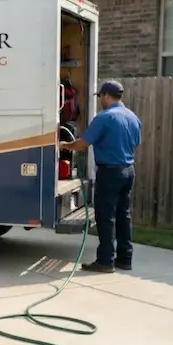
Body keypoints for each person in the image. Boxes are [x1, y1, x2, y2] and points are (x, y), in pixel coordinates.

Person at [59, 79, 141, 273]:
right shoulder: (132, 117)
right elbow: (136, 143)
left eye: (100, 97)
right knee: (123, 215)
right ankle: (125, 259)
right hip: (128, 170)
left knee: (106, 216)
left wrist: (64, 145)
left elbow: (82, 144)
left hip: (110, 172)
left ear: (106, 96)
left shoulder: (104, 118)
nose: (100, 101)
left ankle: (105, 261)